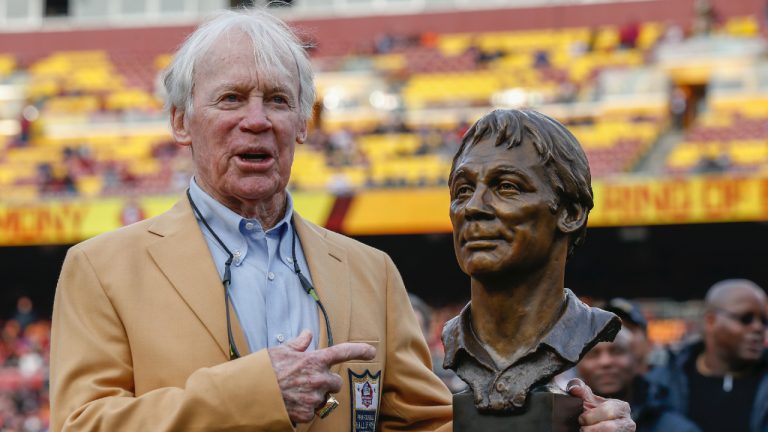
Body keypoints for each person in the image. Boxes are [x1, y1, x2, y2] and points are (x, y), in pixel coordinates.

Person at [50, 9, 634, 432]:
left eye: (278, 101)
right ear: (181, 121)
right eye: (231, 100)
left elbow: (422, 425)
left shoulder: (368, 270)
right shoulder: (102, 269)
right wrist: (257, 393)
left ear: (303, 124)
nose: (257, 121)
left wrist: (556, 426)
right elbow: (82, 426)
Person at [441, 109, 632, 430]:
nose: (473, 207)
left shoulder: (584, 332)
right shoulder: (450, 343)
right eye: (463, 190)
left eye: (507, 187)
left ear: (570, 213)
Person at [646, 279, 768, 432]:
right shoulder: (662, 384)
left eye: (764, 321)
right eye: (746, 319)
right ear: (711, 321)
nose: (758, 328)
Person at [578, 328, 701, 432]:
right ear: (578, 364)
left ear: (636, 360)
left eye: (617, 351)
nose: (605, 362)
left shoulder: (678, 428)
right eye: (593, 354)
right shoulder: (562, 422)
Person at [604, 298, 651, 374]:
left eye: (628, 329)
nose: (621, 338)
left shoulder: (672, 379)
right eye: (612, 331)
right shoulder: (587, 382)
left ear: (648, 342)